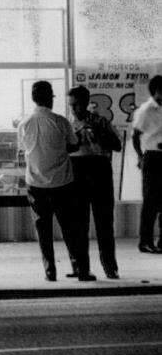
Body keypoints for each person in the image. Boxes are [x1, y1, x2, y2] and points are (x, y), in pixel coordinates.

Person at [17, 81, 93, 282]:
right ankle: (81, 270)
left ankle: (50, 271)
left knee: (43, 230)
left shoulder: (24, 123)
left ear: (34, 99)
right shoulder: (60, 121)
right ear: (50, 97)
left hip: (35, 183)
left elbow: (24, 149)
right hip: (62, 183)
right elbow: (74, 146)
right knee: (70, 227)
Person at [67, 85, 123, 278]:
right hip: (77, 170)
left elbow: (117, 145)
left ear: (86, 102)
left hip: (99, 168)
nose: (74, 110)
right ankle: (82, 268)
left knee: (104, 222)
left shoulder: (100, 121)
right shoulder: (68, 124)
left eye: (77, 105)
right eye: (71, 106)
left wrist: (98, 134)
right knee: (79, 223)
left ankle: (110, 267)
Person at [132, 75, 162, 255]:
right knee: (150, 202)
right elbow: (135, 136)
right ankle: (145, 241)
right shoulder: (146, 110)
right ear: (156, 91)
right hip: (153, 157)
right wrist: (140, 157)